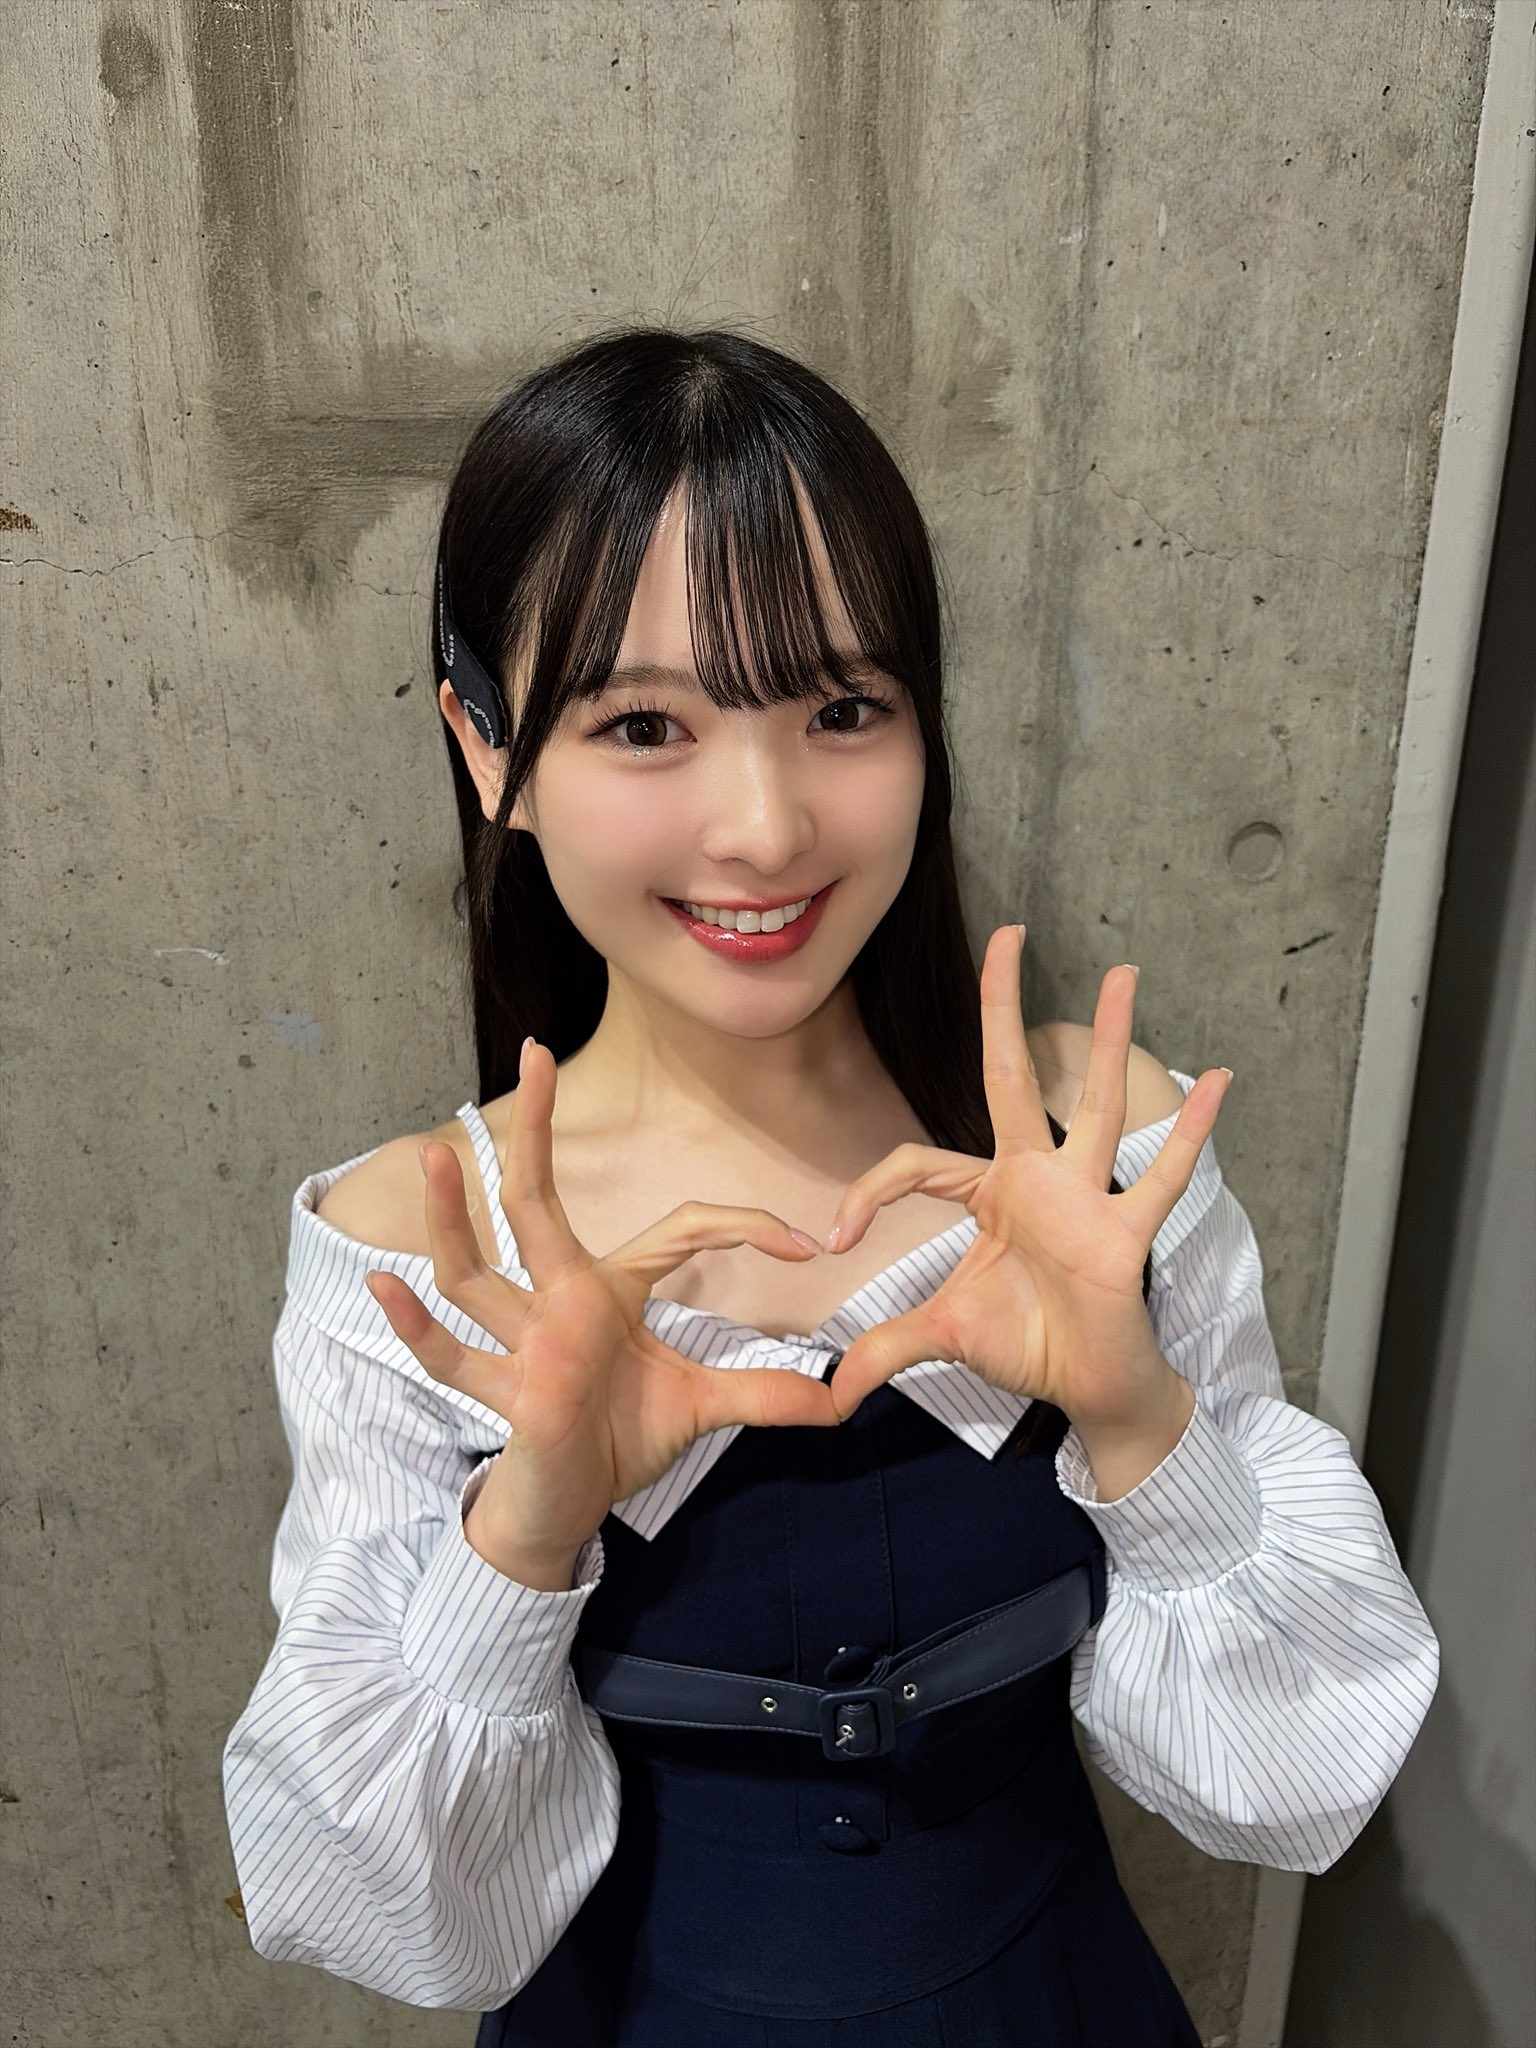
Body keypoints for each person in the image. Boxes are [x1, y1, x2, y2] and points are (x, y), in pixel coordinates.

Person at [221, 327, 1439, 2043]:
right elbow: (394, 1916)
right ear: (488, 751)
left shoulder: (1099, 1150)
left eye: (843, 710)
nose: (767, 827)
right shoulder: (416, 1254)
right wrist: (530, 1529)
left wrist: (1141, 1422)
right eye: (645, 724)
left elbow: (1294, 1787)